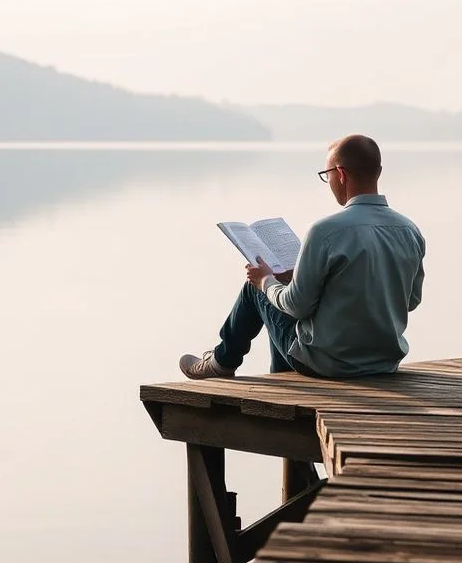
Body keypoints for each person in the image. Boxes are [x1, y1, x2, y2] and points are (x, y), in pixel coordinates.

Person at [179, 134, 425, 380]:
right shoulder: (410, 231)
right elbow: (411, 300)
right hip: (383, 362)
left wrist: (265, 281)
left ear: (340, 174)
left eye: (326, 175)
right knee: (281, 298)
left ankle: (222, 361)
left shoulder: (326, 231)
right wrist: (300, 279)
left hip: (327, 364)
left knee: (256, 288)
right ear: (378, 172)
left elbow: (297, 307)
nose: (328, 181)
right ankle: (280, 377)